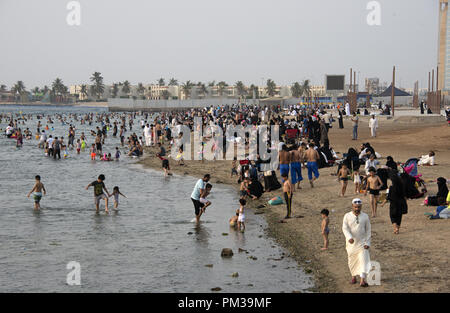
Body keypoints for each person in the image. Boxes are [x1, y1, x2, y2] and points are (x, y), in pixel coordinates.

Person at [342, 198, 371, 287]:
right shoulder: (347, 216)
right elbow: (345, 228)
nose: (357, 209)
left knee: (363, 260)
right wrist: (349, 237)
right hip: (351, 244)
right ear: (352, 206)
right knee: (352, 261)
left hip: (362, 243)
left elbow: (368, 230)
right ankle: (353, 277)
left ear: (361, 206)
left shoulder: (365, 216)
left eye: (359, 207)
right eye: (355, 207)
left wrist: (367, 243)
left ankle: (362, 280)